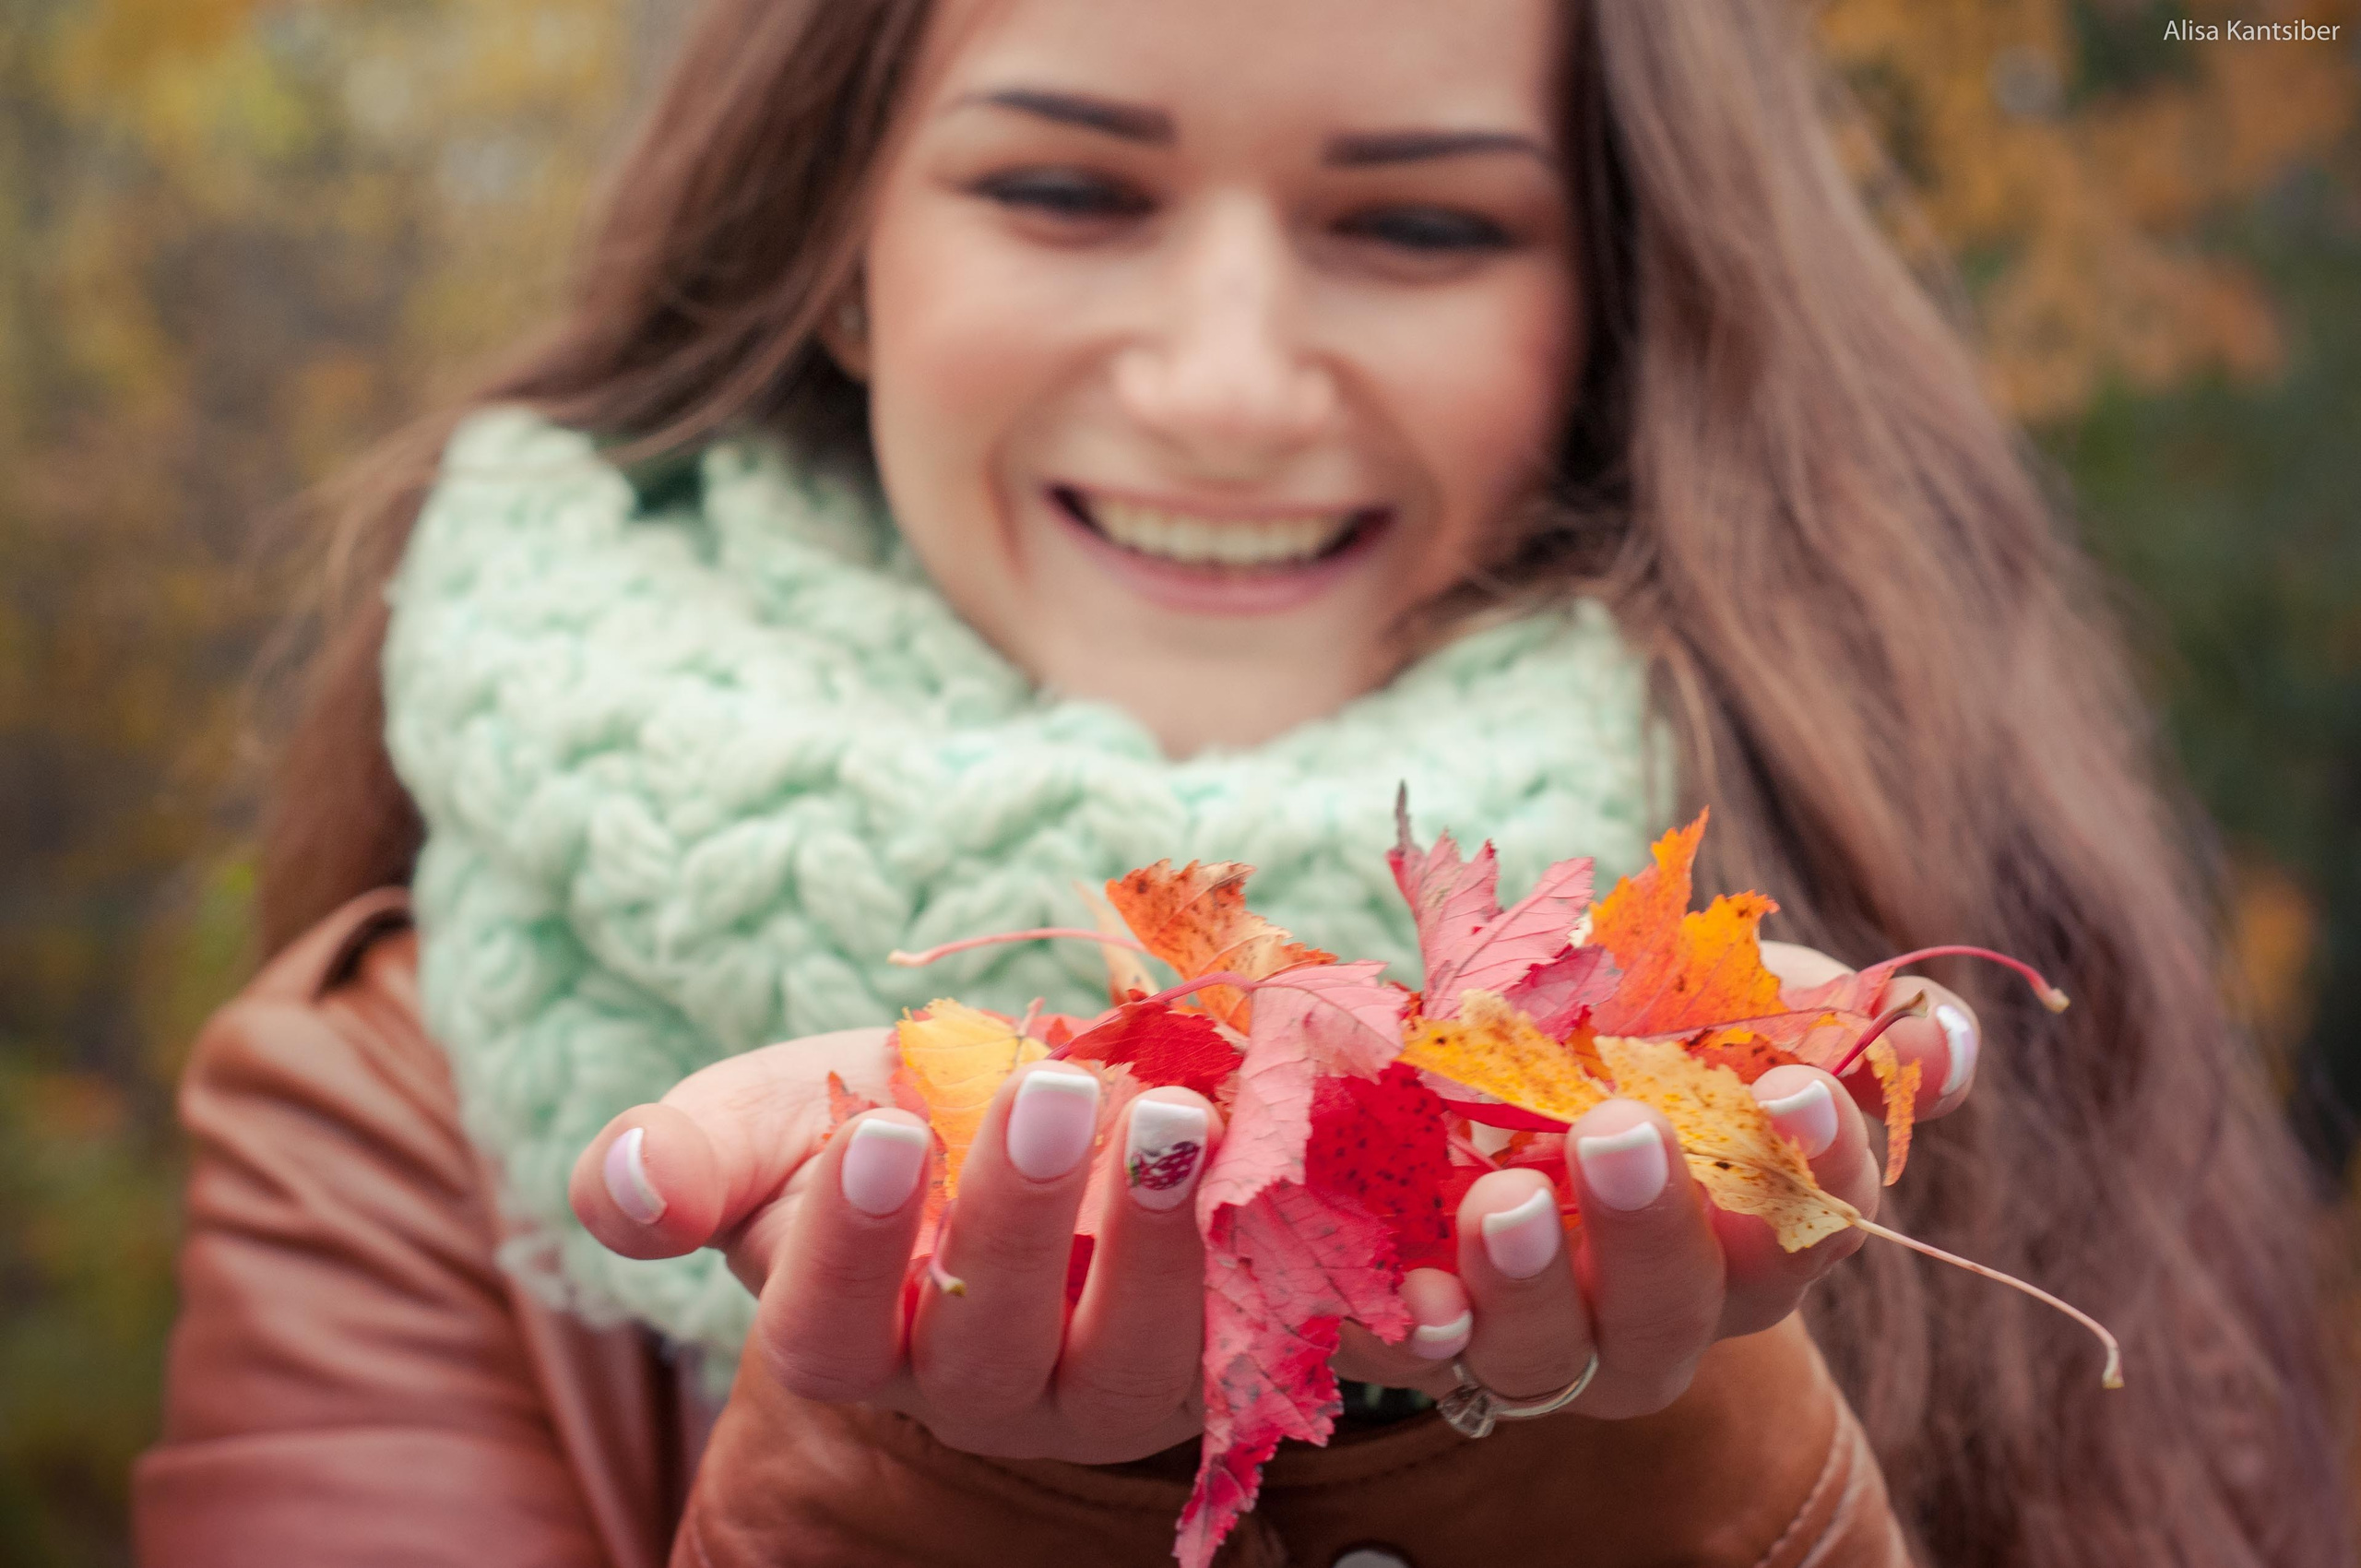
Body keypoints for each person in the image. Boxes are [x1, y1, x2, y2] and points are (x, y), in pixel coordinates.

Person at [134, 1, 2351, 1564]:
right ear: (835, 262)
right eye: (1065, 190)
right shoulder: (387, 1096)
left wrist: (1633, 1481)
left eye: (1411, 228)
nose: (1221, 382)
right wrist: (962, 1496)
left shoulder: (1898, 945)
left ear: (1613, 301)